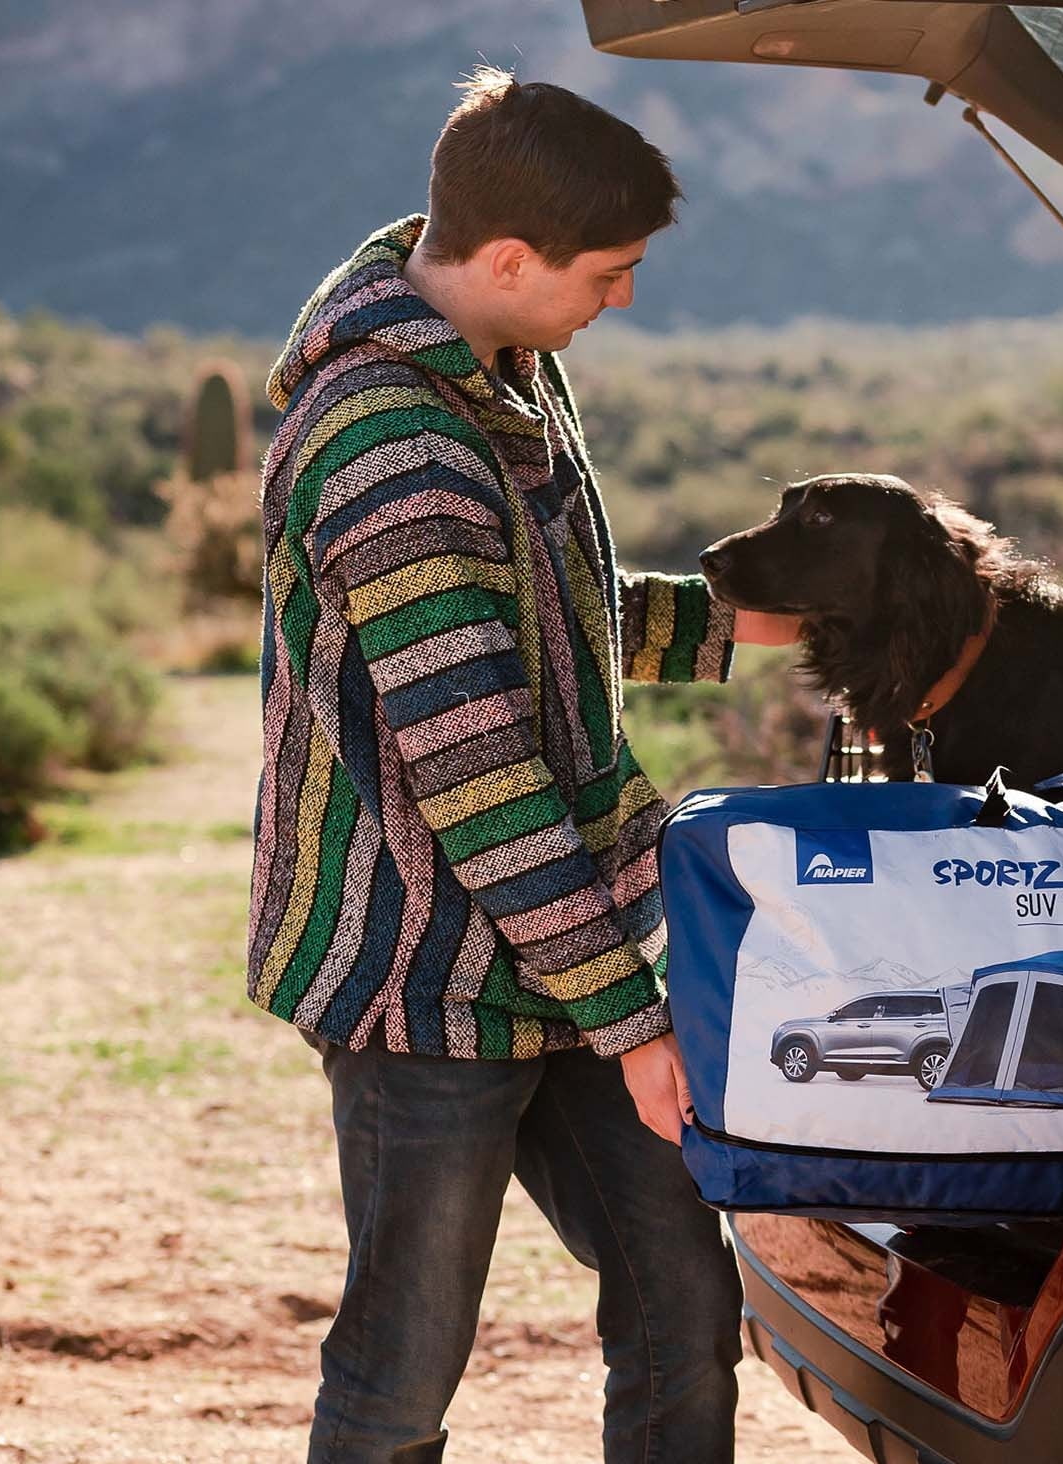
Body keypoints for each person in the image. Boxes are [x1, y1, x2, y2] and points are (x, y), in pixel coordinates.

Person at [247, 67, 784, 1463]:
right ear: (504, 259)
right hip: (422, 977)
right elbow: (478, 783)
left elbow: (539, 622)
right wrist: (636, 1023)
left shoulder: (496, 360)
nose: (621, 299)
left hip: (560, 951)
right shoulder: (391, 446)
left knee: (680, 1289)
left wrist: (739, 625)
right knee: (402, 1368)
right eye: (608, 274)